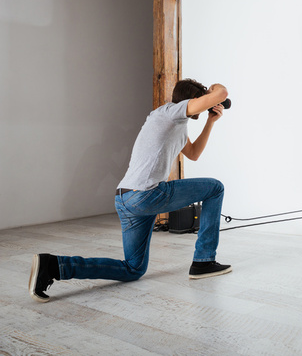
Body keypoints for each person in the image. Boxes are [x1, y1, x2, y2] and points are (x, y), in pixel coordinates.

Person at [29, 79, 231, 303]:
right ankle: (204, 261)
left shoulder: (176, 124)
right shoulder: (171, 112)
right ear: (193, 101)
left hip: (126, 198)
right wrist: (213, 88)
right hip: (146, 195)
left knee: (133, 269)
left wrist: (211, 122)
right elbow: (221, 93)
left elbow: (193, 153)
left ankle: (55, 266)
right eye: (202, 101)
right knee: (215, 188)